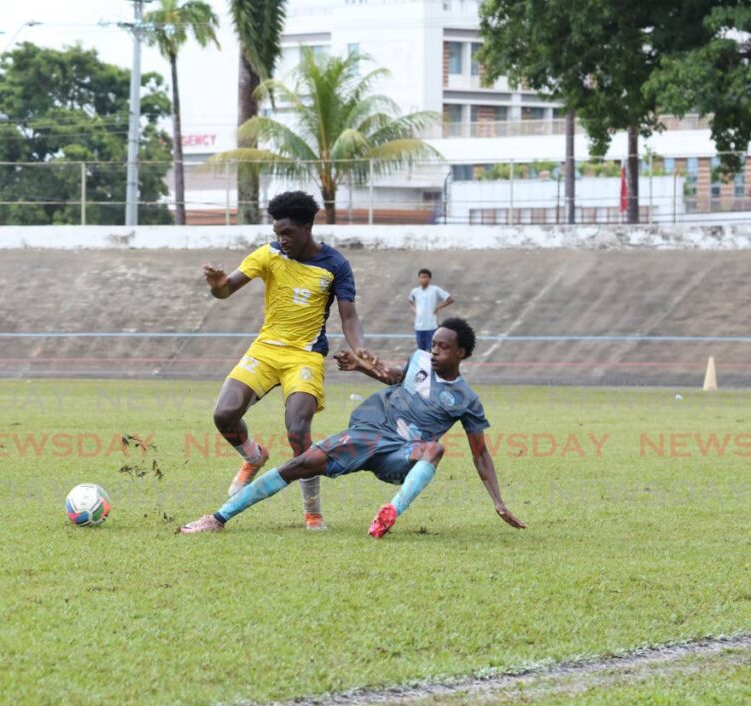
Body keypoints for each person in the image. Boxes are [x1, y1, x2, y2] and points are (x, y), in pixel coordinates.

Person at [179, 318, 526, 537]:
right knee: (301, 464)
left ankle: (389, 514)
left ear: (461, 353)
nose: (433, 352)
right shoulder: (419, 361)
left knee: (434, 449)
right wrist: (360, 367)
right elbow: (391, 376)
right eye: (433, 344)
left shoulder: (466, 398)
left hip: (401, 454)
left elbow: (480, 454)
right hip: (368, 432)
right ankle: (218, 518)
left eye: (443, 347)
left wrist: (498, 501)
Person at [201, 191, 376, 530]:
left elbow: (349, 316)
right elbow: (226, 289)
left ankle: (312, 511)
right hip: (266, 350)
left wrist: (360, 348)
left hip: (305, 357)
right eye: (277, 232)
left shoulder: (335, 265)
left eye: (288, 233)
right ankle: (253, 456)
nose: (281, 239)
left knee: (298, 429)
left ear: (308, 227)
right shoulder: (269, 255)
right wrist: (217, 285)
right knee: (224, 414)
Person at [409, 268, 454, 352]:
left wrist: (438, 307)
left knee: (431, 350)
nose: (424, 279)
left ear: (429, 279)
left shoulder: (435, 290)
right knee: (421, 351)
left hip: (431, 326)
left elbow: (450, 299)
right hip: (419, 326)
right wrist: (415, 310)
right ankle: (423, 365)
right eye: (422, 277)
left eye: (426, 277)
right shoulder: (415, 291)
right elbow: (410, 301)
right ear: (419, 278)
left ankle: (431, 365)